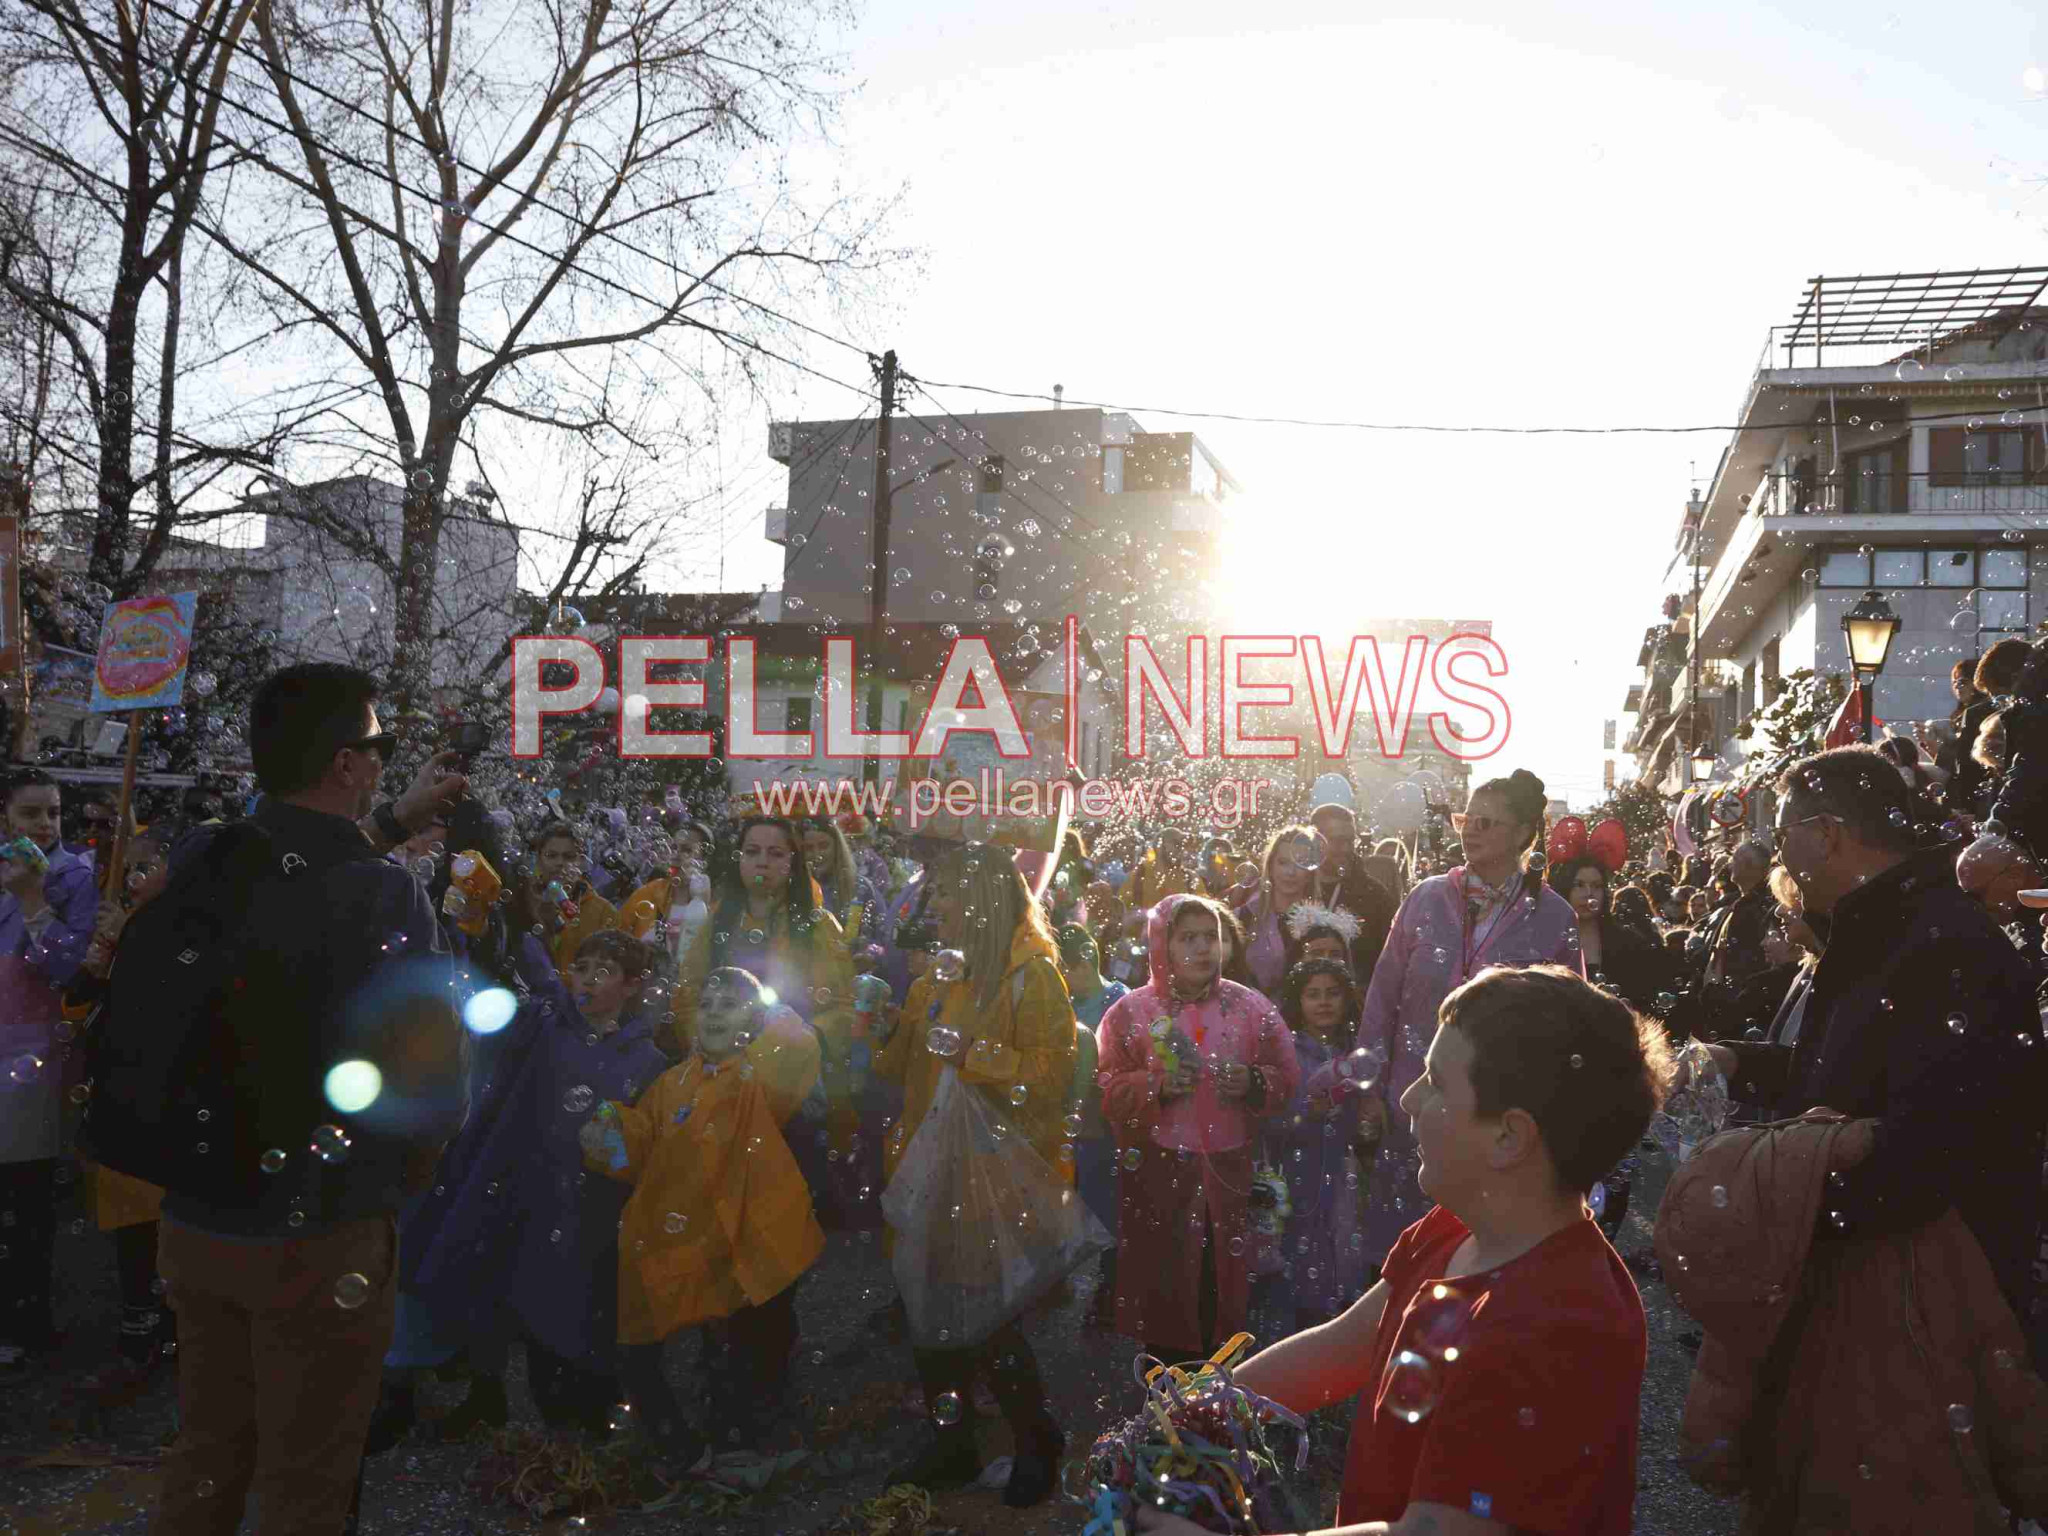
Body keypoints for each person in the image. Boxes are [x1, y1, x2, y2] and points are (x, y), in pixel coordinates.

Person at [1134, 965, 1672, 1536]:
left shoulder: (1558, 1326)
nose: (1409, 1097)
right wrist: (1199, 1410)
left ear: (1509, 1137)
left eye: (1436, 1081)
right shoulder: (1455, 1229)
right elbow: (1344, 1346)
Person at [142, 663, 468, 1536]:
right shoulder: (384, 893)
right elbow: (436, 1077)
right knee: (307, 1479)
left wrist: (397, 818)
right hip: (321, 1232)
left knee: (208, 1452)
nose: (378, 762)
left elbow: (292, 869)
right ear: (345, 767)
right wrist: (406, 1174)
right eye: (375, 748)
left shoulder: (205, 856)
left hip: (197, 1214)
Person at [1706, 747, 2046, 1327]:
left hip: (1926, 1316)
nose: (1778, 860)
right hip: (1883, 1294)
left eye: (1783, 836)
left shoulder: (1941, 945)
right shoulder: (1887, 926)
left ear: (1826, 834)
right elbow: (1852, 1076)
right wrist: (1738, 1063)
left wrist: (1767, 1190)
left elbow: (1928, 1149)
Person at [392, 929, 668, 1441]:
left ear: (633, 985)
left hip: (586, 1205)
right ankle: (488, 1394)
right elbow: (500, 1005)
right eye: (580, 967)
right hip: (519, 1182)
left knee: (570, 1306)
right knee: (491, 1288)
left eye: (603, 971)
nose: (586, 979)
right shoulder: (544, 1025)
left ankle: (578, 1417)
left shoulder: (647, 1061)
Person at [876, 843, 1086, 1507]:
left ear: (984, 899)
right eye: (932, 891)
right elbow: (904, 1069)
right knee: (928, 1306)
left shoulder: (1033, 977)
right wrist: (882, 1031)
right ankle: (954, 1440)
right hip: (927, 1161)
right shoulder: (934, 977)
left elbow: (1054, 1078)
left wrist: (979, 1055)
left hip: (992, 1170)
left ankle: (1036, 1437)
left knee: (988, 1316)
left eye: (945, 892)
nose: (932, 904)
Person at [582, 967, 823, 1495]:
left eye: (729, 1004)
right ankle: (698, 1444)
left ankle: (758, 1443)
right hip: (691, 1234)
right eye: (707, 1002)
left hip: (750, 1236)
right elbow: (643, 1142)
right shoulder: (676, 1081)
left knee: (750, 1347)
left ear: (753, 1022)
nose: (713, 1011)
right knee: (682, 1342)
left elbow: (800, 1047)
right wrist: (610, 1129)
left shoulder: (756, 1078)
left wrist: (769, 1003)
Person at [1351, 769, 1581, 1271]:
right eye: (1465, 818)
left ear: (1523, 834)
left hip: (1495, 1114)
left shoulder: (1553, 917)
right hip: (1410, 1100)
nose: (1469, 830)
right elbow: (1382, 996)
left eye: (1486, 822)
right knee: (1400, 1253)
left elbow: (1568, 1027)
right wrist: (1367, 1085)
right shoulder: (1426, 898)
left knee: (1478, 1254)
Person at [1097, 894, 1301, 1369]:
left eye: (1212, 936)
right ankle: (1165, 1409)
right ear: (1159, 944)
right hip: (1160, 1175)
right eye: (1188, 937)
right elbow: (1107, 1091)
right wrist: (1157, 1087)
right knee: (1166, 1291)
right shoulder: (1131, 1013)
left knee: (1220, 1290)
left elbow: (1286, 1077)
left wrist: (1252, 1082)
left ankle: (1216, 1407)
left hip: (1229, 1176)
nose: (1203, 948)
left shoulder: (1250, 1008)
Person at [671, 815, 854, 1214]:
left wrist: (802, 1043)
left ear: (793, 862)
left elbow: (842, 1006)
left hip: (792, 1086)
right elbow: (688, 993)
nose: (763, 862)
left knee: (782, 1205)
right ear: (738, 860)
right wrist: (703, 1040)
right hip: (721, 1077)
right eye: (752, 852)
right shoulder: (716, 921)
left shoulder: (819, 926)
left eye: (776, 853)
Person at [64, 829, 177, 1416]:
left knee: (166, 1235)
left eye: (148, 866)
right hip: (119, 1105)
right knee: (132, 1235)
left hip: (164, 1108)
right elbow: (77, 1000)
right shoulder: (122, 930)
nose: (135, 878)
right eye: (130, 869)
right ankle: (138, 1332)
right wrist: (100, 951)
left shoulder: (185, 933)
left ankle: (167, 1334)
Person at [0, 769, 101, 1378]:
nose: (44, 825)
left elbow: (71, 968)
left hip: (31, 1051)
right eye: (31, 814)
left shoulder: (73, 877)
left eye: (54, 813)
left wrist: (34, 899)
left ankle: (25, 1317)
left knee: (26, 1195)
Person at [1267, 957, 1370, 1331]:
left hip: (1346, 1166)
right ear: (1298, 1001)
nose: (1323, 1002)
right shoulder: (1288, 1053)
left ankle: (1343, 1314)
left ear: (1347, 999)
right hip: (1301, 1166)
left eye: (1332, 993)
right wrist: (1307, 1113)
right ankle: (1305, 1320)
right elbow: (1274, 1121)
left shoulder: (1358, 1050)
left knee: (1346, 1233)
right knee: (1302, 1236)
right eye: (1313, 995)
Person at [1057, 923, 1126, 1327]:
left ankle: (1110, 1290)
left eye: (1064, 968)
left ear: (1085, 963)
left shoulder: (1117, 1000)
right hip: (1071, 1118)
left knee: (1108, 1207)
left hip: (1104, 1123)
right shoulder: (1064, 998)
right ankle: (1055, 1282)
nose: (1061, 978)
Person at [1548, 856, 1677, 1015]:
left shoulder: (1628, 941)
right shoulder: (1547, 940)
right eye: (1579, 885)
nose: (1588, 894)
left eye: (1596, 886)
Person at [1306, 802, 1398, 990]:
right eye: (1338, 841)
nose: (1347, 848)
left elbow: (1391, 963)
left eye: (1350, 840)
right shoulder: (1295, 886)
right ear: (1315, 841)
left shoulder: (1374, 895)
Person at [1237, 824, 1320, 995]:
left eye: (1301, 863)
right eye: (1283, 862)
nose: (1291, 872)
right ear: (1270, 866)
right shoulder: (1242, 917)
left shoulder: (1323, 922)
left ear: (1311, 871)